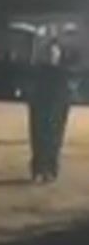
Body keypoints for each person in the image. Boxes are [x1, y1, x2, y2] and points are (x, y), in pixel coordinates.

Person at [25, 42, 74, 183]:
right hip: (41, 109)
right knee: (38, 139)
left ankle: (50, 169)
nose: (51, 56)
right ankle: (39, 169)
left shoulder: (63, 73)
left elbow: (66, 94)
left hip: (56, 110)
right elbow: (32, 91)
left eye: (53, 53)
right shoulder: (37, 72)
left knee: (54, 140)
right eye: (49, 53)